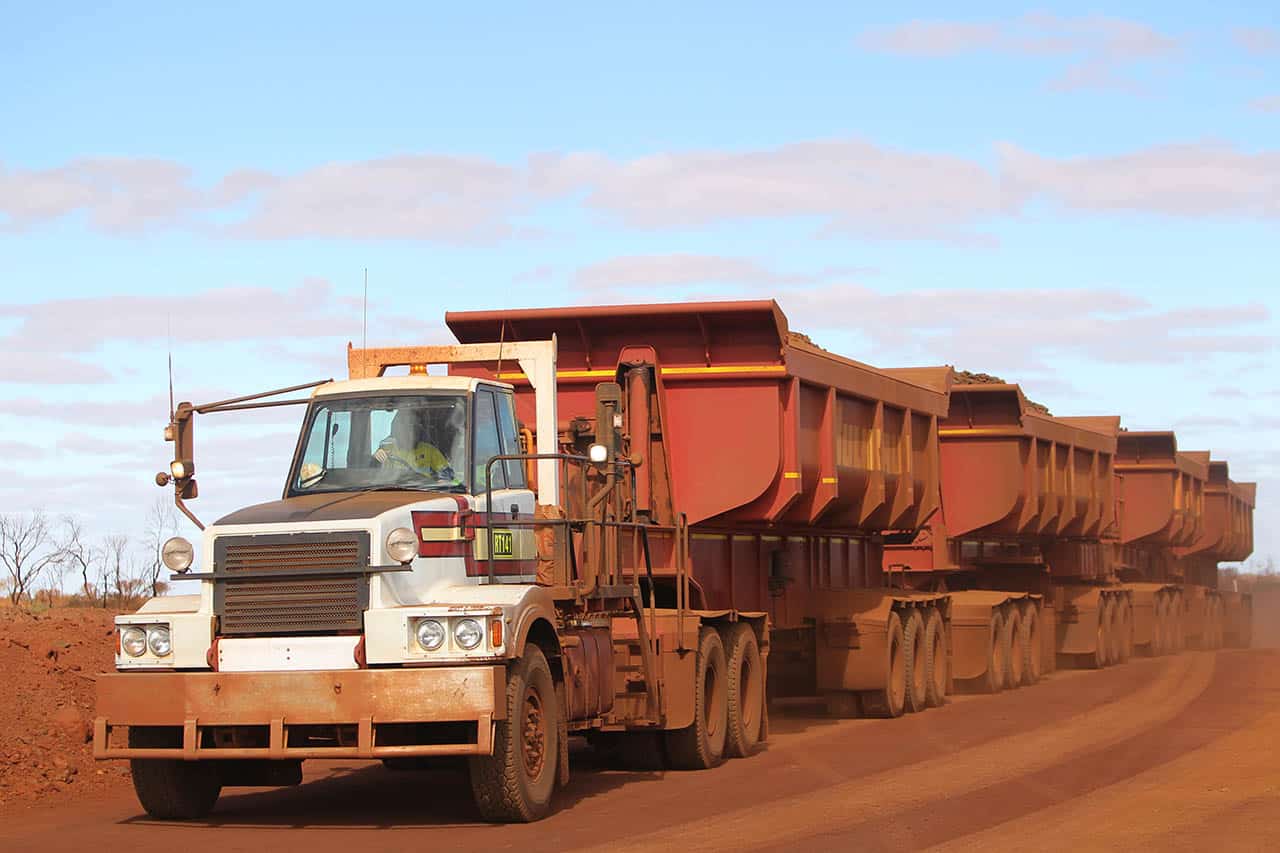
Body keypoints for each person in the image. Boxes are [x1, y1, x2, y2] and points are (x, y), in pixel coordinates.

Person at [375, 409, 452, 477]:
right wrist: (376, 456)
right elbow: (371, 471)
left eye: (412, 425)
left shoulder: (429, 450)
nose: (409, 430)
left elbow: (447, 474)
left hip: (424, 491)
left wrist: (444, 480)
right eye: (404, 426)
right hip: (393, 490)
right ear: (396, 428)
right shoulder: (387, 449)